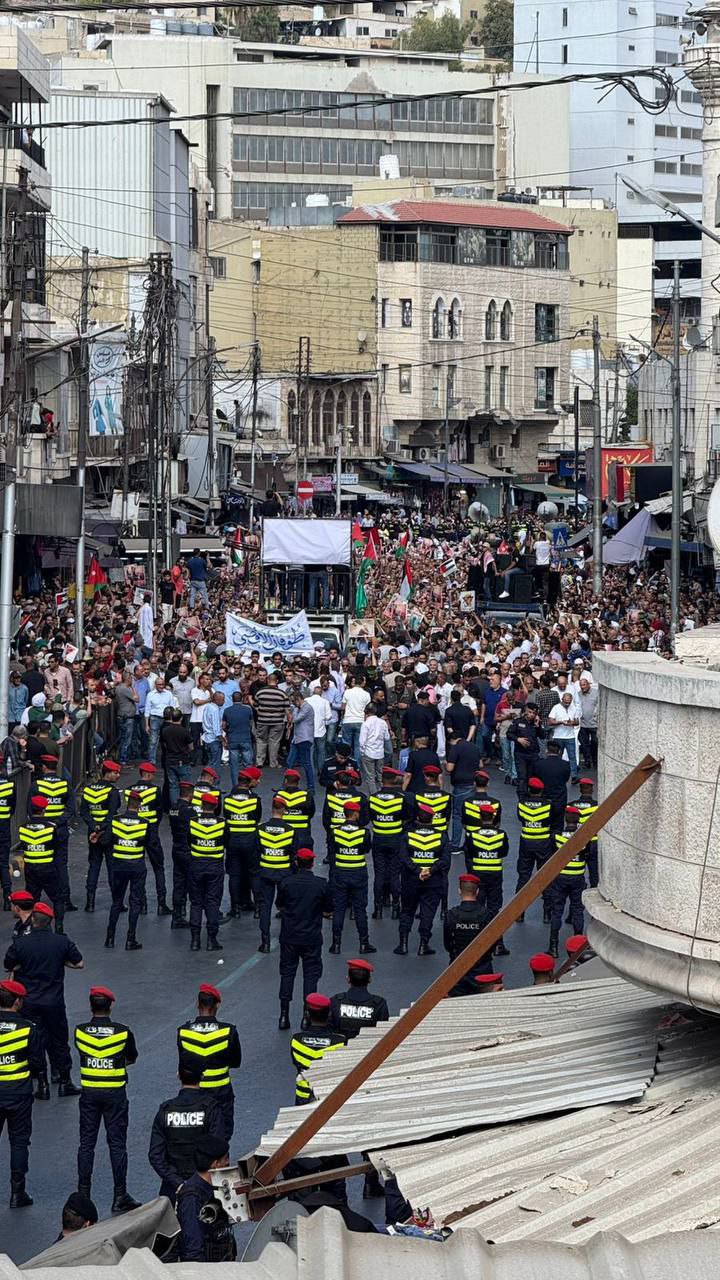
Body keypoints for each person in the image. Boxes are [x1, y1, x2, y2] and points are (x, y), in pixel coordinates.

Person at [3, 902, 83, 1100]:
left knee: (35, 1041)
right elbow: (79, 963)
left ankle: (43, 1084)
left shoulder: (21, 943)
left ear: (33, 921)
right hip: (54, 1001)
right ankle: (65, 1081)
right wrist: (60, 962)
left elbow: (8, 965)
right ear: (50, 921)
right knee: (59, 1041)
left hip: (29, 1002)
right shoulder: (61, 942)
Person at [74, 985, 140, 1214]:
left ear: (91, 1005)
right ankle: (119, 1195)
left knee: (86, 1144)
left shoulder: (80, 1031)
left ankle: (83, 1195)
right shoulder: (122, 1032)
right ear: (110, 1006)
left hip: (89, 1093)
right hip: (114, 1095)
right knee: (117, 1144)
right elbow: (131, 1057)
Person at [148, 1063, 225, 1201]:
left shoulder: (166, 1110)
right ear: (201, 1076)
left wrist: (178, 1183)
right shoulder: (211, 1108)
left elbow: (155, 1156)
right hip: (205, 1190)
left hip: (172, 1190)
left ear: (178, 1075)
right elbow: (217, 1150)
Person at [177, 983, 241, 1141]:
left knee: (196, 1134)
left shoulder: (184, 1031)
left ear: (197, 1004)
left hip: (195, 1091)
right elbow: (236, 1062)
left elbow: (183, 1063)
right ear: (217, 1005)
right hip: (221, 1092)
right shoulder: (228, 1031)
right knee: (223, 1135)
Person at [277, 847, 332, 1030]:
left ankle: (283, 1015)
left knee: (287, 974)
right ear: (312, 863)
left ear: (296, 862)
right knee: (311, 975)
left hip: (290, 936)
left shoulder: (286, 883)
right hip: (311, 937)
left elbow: (280, 905)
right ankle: (307, 1016)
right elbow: (328, 908)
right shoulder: (321, 884)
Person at [0, 977, 44, 1208]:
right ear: (17, 1002)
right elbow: (37, 1063)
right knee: (18, 1142)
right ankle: (17, 1193)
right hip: (18, 1094)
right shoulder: (28, 1028)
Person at [394, 803, 450, 957]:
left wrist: (417, 870)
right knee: (428, 912)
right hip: (433, 881)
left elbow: (403, 857)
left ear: (418, 817)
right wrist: (430, 871)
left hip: (411, 880)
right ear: (433, 818)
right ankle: (423, 944)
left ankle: (403, 943)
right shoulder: (442, 836)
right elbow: (445, 860)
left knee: (407, 911)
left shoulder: (408, 835)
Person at [175, 1134, 236, 1263]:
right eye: (226, 1159)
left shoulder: (212, 1188)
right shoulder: (192, 1199)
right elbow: (193, 1249)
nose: (228, 1163)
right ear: (216, 1164)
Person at [328, 799, 375, 956]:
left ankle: (336, 944)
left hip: (340, 872)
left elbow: (333, 850)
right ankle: (364, 942)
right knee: (360, 909)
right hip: (358, 872)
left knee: (339, 908)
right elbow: (367, 849)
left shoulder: (335, 831)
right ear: (355, 814)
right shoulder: (364, 832)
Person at [28, 755, 73, 914]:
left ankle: (34, 901)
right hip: (59, 830)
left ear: (43, 767)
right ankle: (65, 899)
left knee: (40, 862)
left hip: (40, 830)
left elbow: (30, 809)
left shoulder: (37, 785)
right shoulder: (64, 785)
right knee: (61, 864)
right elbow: (70, 809)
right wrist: (57, 822)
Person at [105, 790, 149, 952]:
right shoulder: (144, 823)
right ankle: (131, 938)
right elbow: (151, 846)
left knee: (116, 902)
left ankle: (110, 937)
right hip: (137, 866)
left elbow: (107, 841)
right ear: (139, 805)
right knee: (135, 902)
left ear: (128, 803)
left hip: (118, 866)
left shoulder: (115, 821)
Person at [126, 762, 171, 916]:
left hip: (134, 832)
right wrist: (153, 826)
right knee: (158, 867)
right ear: (149, 775)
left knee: (138, 867)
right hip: (151, 832)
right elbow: (159, 811)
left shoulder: (129, 790)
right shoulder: (155, 790)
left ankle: (142, 903)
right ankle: (161, 903)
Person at [464, 803, 510, 954]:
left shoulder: (473, 835)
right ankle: (498, 944)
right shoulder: (501, 834)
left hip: (478, 875)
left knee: (478, 907)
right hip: (495, 875)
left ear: (479, 817)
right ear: (494, 818)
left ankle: (476, 943)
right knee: (494, 909)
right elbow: (504, 852)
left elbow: (469, 854)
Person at [255, 795, 297, 953]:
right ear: (284, 811)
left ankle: (264, 941)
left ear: (271, 809)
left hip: (265, 871)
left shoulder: (261, 828)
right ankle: (286, 938)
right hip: (284, 872)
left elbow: (257, 849)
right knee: (286, 907)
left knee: (265, 906)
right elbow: (294, 853)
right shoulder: (290, 830)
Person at [79, 759, 122, 913]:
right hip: (108, 834)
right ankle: (117, 902)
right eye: (115, 773)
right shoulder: (113, 791)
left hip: (93, 834)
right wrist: (102, 828)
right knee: (112, 868)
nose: (118, 775)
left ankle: (90, 903)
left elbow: (84, 812)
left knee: (94, 867)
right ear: (107, 773)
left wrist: (94, 828)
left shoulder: (89, 790)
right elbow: (111, 814)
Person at [18, 795, 66, 930]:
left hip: (30, 869)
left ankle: (32, 928)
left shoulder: (23, 827)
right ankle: (59, 927)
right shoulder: (51, 827)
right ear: (44, 809)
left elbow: (24, 846)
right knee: (57, 898)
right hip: (47, 868)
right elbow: (56, 847)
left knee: (32, 900)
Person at [187, 793, 227, 953]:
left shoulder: (193, 822)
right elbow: (226, 842)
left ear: (202, 805)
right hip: (215, 866)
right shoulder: (222, 823)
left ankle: (195, 940)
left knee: (196, 903)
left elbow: (189, 841)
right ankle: (211, 939)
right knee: (212, 901)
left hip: (196, 865)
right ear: (216, 806)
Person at [443, 875, 495, 996]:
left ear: (459, 891)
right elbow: (493, 942)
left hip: (457, 970)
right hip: (482, 970)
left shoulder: (451, 915)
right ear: (477, 891)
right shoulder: (486, 915)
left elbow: (448, 944)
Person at [290, 993, 346, 1105]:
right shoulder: (340, 1041)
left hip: (303, 1095)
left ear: (307, 1015)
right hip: (329, 1094)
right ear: (329, 1015)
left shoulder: (296, 1040)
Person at [368, 766, 408, 921]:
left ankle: (377, 909)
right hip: (395, 839)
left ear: (382, 781)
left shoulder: (373, 798)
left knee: (379, 874)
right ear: (394, 780)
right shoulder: (400, 798)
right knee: (394, 874)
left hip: (378, 838)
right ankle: (396, 907)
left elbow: (369, 817)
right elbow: (405, 817)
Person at [547, 805, 586, 956]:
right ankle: (578, 947)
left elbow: (551, 855)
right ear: (578, 821)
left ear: (565, 818)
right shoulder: (583, 836)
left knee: (557, 911)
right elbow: (586, 854)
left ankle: (554, 946)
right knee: (577, 910)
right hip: (577, 877)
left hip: (560, 877)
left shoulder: (557, 836)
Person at [224, 766, 262, 917]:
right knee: (254, 873)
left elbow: (226, 817)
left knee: (234, 875)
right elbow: (257, 818)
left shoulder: (227, 800)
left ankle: (235, 908)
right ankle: (258, 908)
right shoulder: (254, 799)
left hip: (233, 840)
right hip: (250, 840)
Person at [515, 776, 553, 923]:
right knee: (544, 877)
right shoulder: (548, 805)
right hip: (543, 843)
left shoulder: (522, 804)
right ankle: (547, 913)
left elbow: (521, 819)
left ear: (529, 789)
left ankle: (519, 912)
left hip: (526, 843)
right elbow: (550, 820)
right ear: (541, 790)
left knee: (523, 877)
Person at [328, 958, 389, 1040]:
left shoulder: (335, 1001)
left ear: (348, 979)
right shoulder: (379, 1004)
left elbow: (329, 1029)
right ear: (370, 979)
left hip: (338, 1049)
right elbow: (382, 1033)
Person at [445, 728, 483, 851]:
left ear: (452, 740)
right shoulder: (474, 747)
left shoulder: (455, 748)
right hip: (473, 784)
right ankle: (471, 843)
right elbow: (481, 765)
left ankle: (455, 844)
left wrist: (446, 764)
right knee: (471, 814)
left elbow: (450, 768)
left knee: (457, 815)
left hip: (461, 785)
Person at [168, 779, 195, 930]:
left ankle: (177, 915)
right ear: (190, 795)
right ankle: (193, 915)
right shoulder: (189, 811)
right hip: (187, 849)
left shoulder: (173, 808)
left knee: (178, 884)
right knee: (192, 883)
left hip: (176, 847)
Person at [506, 702, 545, 798]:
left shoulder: (537, 723)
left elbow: (543, 736)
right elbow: (509, 734)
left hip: (533, 754)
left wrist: (538, 726)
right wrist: (518, 739)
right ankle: (521, 798)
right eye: (530, 712)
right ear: (525, 712)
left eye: (533, 713)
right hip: (520, 754)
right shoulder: (518, 722)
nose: (531, 714)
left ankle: (532, 796)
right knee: (522, 777)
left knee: (532, 777)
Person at [252, 674, 290, 769]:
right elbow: (287, 709)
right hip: (277, 721)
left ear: (267, 680)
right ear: (277, 681)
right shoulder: (282, 694)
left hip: (262, 720)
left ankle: (259, 762)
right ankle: (273, 763)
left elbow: (255, 704)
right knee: (274, 742)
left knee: (261, 740)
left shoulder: (260, 692)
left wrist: (260, 711)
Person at [534, 740, 571, 836]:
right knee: (558, 826)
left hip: (544, 798)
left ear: (547, 750)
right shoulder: (565, 765)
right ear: (559, 751)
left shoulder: (539, 764)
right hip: (559, 798)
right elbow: (566, 779)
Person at [274, 767, 315, 850]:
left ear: (285, 781)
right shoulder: (306, 796)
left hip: (283, 834)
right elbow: (311, 813)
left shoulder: (278, 795)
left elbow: (275, 812)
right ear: (298, 782)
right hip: (303, 834)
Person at [160, 709, 193, 808]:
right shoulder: (184, 731)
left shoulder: (165, 730)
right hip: (182, 760)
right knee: (185, 785)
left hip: (170, 760)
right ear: (181, 718)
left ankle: (174, 807)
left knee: (173, 785)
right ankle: (184, 805)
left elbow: (164, 744)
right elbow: (191, 747)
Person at [547, 692, 580, 782]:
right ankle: (556, 774)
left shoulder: (573, 708)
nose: (567, 704)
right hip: (558, 736)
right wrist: (561, 722)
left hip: (570, 736)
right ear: (562, 700)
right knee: (557, 756)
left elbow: (577, 721)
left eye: (569, 702)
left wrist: (572, 722)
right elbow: (550, 721)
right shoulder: (556, 707)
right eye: (565, 702)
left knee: (572, 756)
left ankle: (574, 775)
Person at [358, 705, 391, 796]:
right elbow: (387, 737)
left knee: (370, 777)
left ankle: (374, 795)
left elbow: (362, 741)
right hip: (380, 753)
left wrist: (362, 752)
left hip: (368, 753)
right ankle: (382, 792)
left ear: (366, 713)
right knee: (380, 775)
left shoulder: (365, 724)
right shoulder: (383, 722)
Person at [287, 692, 316, 793]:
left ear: (298, 699)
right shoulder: (298, 708)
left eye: (294, 701)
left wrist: (292, 712)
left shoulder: (307, 707)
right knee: (290, 762)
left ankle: (311, 787)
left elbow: (295, 719)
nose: (293, 704)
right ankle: (286, 785)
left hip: (305, 738)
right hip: (297, 738)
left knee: (306, 764)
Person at [223, 692, 255, 780]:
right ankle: (248, 784)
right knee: (248, 764)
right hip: (245, 738)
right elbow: (251, 723)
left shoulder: (227, 710)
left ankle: (235, 785)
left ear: (232, 699)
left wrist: (228, 732)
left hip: (233, 739)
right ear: (241, 699)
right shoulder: (248, 709)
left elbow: (223, 726)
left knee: (234, 765)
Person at [576, 777, 599, 888]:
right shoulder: (597, 806)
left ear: (580, 789)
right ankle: (594, 888)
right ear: (591, 790)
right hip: (593, 842)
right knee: (594, 872)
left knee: (577, 871)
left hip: (577, 842)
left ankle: (579, 889)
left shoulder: (571, 805)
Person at [0, 769, 16, 909]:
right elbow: (12, 808)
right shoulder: (10, 784)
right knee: (3, 864)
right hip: (3, 828)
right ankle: (7, 897)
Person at [201, 691, 226, 777]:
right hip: (214, 740)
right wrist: (222, 740)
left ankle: (205, 782)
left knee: (210, 762)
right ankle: (215, 785)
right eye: (223, 699)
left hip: (207, 739)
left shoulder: (207, 707)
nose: (224, 701)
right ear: (217, 699)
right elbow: (216, 729)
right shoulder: (215, 710)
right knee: (215, 765)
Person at [577, 677, 599, 768]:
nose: (583, 687)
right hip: (583, 724)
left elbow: (599, 705)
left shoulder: (596, 693)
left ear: (588, 684)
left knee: (595, 742)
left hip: (594, 724)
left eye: (584, 685)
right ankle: (587, 761)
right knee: (584, 744)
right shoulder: (578, 694)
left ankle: (595, 760)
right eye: (581, 685)